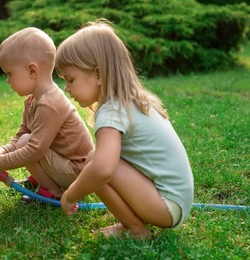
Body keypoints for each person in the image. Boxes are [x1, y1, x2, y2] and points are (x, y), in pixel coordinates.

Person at [55, 20, 194, 239]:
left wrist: (71, 195)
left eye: (70, 79)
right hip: (176, 202)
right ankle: (133, 224)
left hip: (166, 206)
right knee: (95, 158)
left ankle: (137, 230)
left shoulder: (111, 111)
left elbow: (103, 169)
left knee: (95, 163)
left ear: (98, 74)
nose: (67, 87)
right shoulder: (128, 102)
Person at [0, 27, 94, 201]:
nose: (8, 81)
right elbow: (21, 135)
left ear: (32, 71)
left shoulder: (49, 103)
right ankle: (42, 181)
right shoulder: (33, 100)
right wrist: (0, 152)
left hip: (78, 173)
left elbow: (34, 150)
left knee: (28, 143)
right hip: (65, 165)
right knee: (25, 139)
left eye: (9, 74)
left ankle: (53, 192)